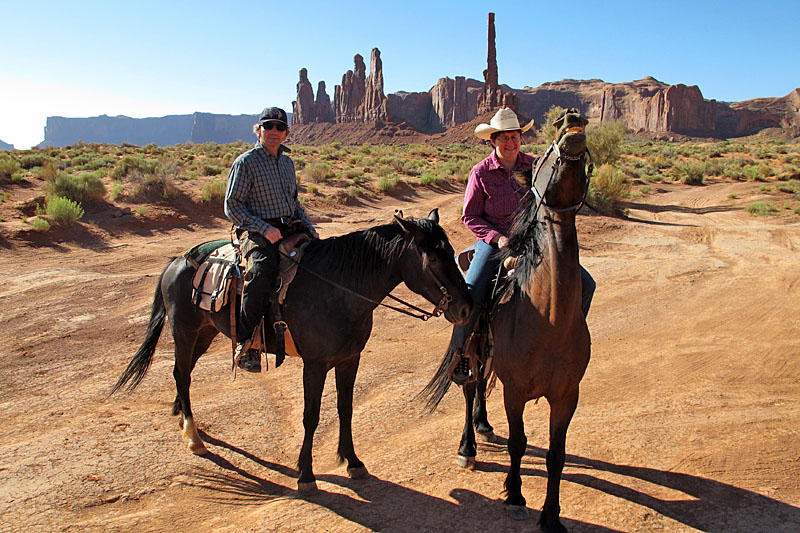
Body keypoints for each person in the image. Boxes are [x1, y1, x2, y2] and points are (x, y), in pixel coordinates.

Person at [450, 107, 596, 385]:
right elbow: (470, 216)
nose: (510, 143)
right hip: (494, 244)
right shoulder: (480, 173)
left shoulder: (534, 167)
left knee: (586, 284)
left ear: (520, 138)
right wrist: (498, 238)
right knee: (472, 293)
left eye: (514, 136)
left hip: (534, 242)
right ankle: (461, 356)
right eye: (504, 138)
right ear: (493, 141)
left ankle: (568, 339)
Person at [224, 106, 318, 373]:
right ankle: (247, 344)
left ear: (287, 133)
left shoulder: (287, 163)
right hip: (256, 232)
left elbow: (294, 204)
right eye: (268, 126)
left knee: (320, 260)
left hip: (288, 228)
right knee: (262, 272)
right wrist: (263, 229)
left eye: (280, 127)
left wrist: (310, 228)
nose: (274, 131)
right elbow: (232, 206)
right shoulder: (246, 162)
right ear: (259, 130)